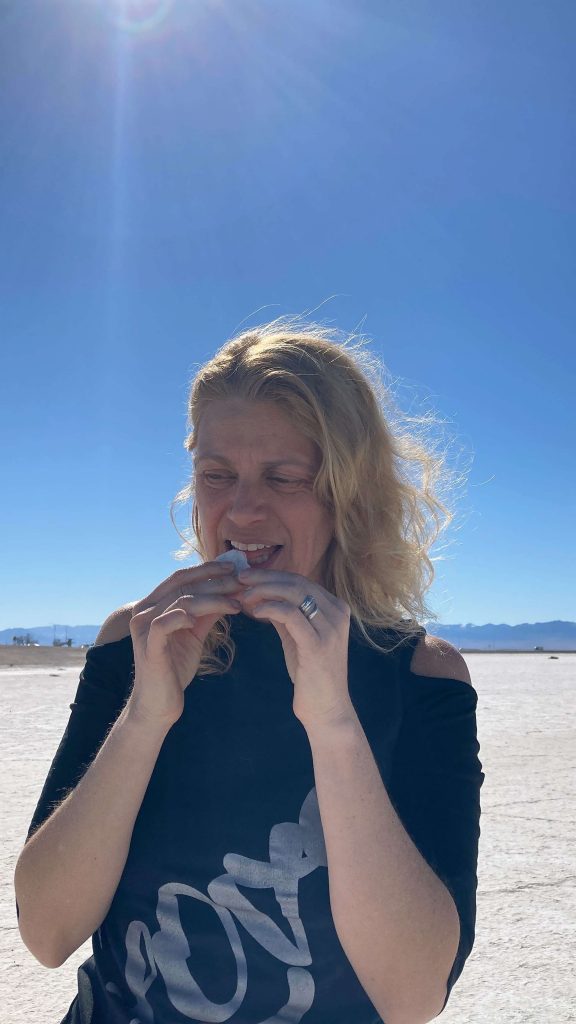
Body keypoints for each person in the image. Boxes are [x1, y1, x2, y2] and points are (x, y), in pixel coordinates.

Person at [14, 317, 484, 1024]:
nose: (241, 509)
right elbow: (46, 932)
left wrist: (334, 723)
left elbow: (412, 995)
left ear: (347, 493)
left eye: (284, 477)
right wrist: (146, 716)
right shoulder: (137, 642)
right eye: (216, 475)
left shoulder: (420, 676)